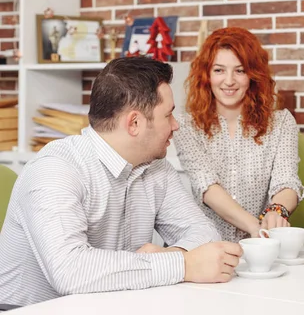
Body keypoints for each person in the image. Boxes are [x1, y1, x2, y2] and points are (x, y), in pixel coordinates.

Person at [0, 57, 242, 307]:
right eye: (168, 115)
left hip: (111, 305)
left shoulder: (155, 167)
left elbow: (204, 233)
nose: (176, 125)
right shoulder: (54, 170)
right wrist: (184, 264)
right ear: (134, 123)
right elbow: (70, 271)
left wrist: (172, 255)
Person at [174, 27, 304, 242]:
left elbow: (287, 181)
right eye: (219, 70)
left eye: (240, 70)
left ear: (253, 75)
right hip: (207, 244)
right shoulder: (186, 125)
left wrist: (277, 211)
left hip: (263, 247)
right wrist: (256, 227)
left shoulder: (281, 123)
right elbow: (206, 186)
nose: (229, 81)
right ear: (206, 75)